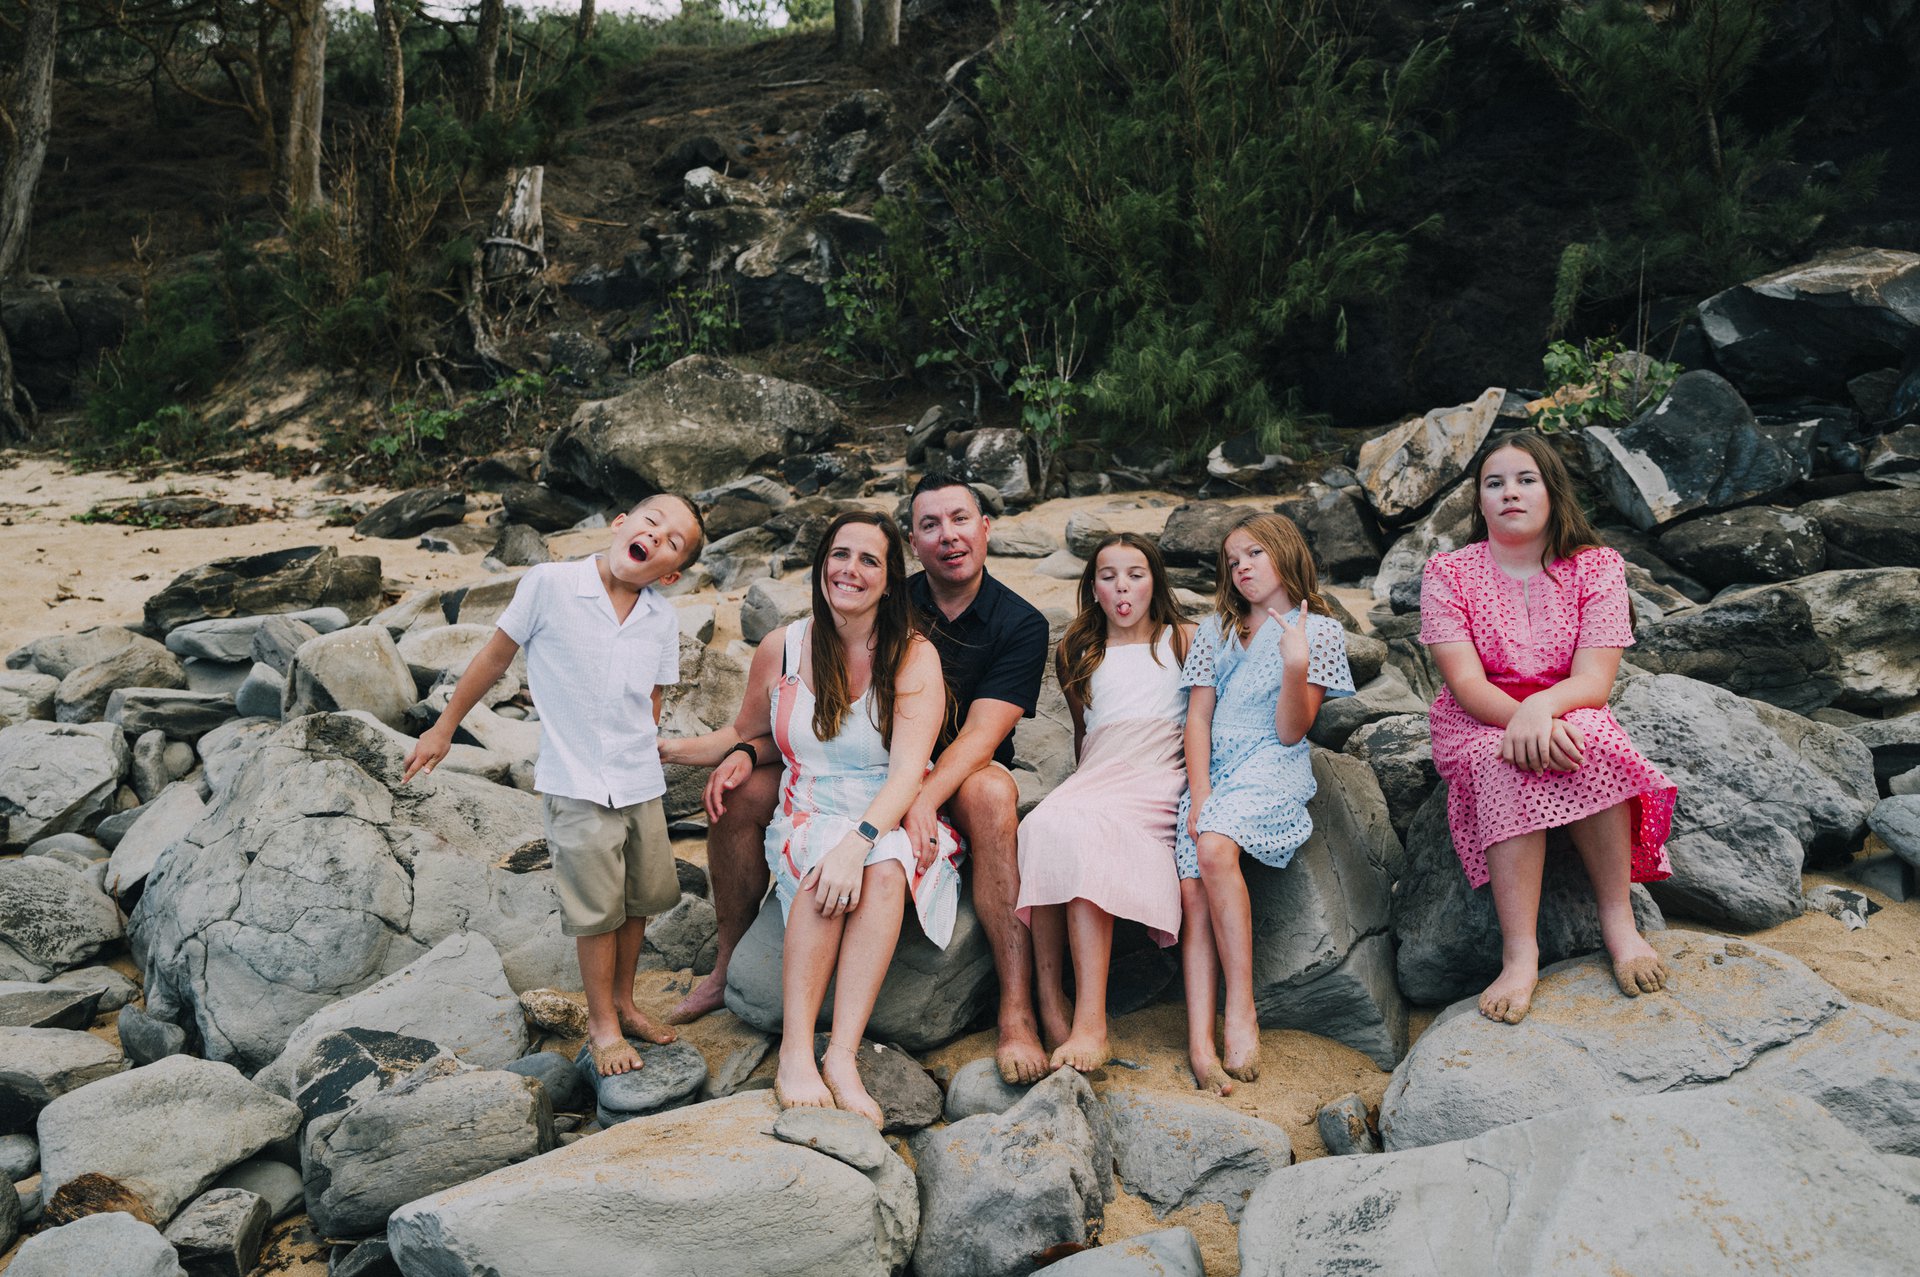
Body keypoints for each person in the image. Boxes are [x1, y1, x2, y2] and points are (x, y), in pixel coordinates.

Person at [671, 475, 1052, 1085]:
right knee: (737, 791)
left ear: (986, 528)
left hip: (948, 770)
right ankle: (727, 964)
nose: (948, 536)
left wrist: (920, 800)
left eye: (960, 519)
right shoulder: (875, 594)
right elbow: (801, 721)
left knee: (991, 792)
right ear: (913, 543)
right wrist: (741, 748)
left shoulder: (1018, 622)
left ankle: (1014, 1007)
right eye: (930, 525)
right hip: (842, 764)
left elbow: (981, 737)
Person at [663, 512, 955, 1124]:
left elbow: (907, 773)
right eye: (840, 554)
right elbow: (745, 733)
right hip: (810, 804)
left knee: (884, 869)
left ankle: (842, 1056)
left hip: (886, 807)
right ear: (822, 564)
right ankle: (795, 1050)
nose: (851, 569)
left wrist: (860, 843)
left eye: (869, 560)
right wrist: (668, 750)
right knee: (825, 866)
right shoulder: (784, 647)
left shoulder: (912, 654)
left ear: (890, 580)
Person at [403, 493, 707, 1077]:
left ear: (670, 574)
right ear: (621, 523)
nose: (656, 535)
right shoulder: (551, 584)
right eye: (651, 521)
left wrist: (647, 741)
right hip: (577, 779)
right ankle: (602, 1024)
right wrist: (443, 728)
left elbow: (653, 696)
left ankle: (625, 1002)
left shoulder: (660, 619)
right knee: (597, 912)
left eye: (673, 541)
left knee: (638, 900)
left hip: (639, 780)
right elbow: (494, 658)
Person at [1419, 433, 1676, 1025]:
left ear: (1552, 491)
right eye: (1494, 483)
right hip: (1478, 718)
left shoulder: (1596, 566)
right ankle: (1520, 954)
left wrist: (1541, 711)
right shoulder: (1448, 572)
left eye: (1526, 479)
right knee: (1501, 761)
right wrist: (1522, 719)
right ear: (1480, 502)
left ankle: (1619, 921)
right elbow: (1466, 683)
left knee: (1596, 742)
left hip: (1568, 704)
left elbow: (1595, 681)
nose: (1509, 492)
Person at [1175, 512, 1354, 1095]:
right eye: (1232, 561)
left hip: (1270, 762)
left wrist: (1296, 663)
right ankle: (1199, 1039)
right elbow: (1197, 718)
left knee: (1215, 848)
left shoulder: (1319, 631)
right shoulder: (1215, 629)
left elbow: (1290, 731)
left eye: (1254, 553)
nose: (1242, 567)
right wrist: (1200, 792)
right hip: (1213, 769)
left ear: (1284, 552)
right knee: (1192, 886)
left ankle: (1241, 1008)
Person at [1016, 533, 1194, 1073]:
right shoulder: (1077, 649)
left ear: (1154, 582)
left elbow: (1205, 721)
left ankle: (1091, 1023)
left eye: (1135, 575)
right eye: (1108, 576)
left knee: (1086, 829)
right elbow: (1084, 734)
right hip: (1099, 774)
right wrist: (1084, 785)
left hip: (1157, 776)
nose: (1122, 587)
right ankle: (1051, 1001)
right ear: (1093, 587)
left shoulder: (1182, 639)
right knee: (1042, 824)